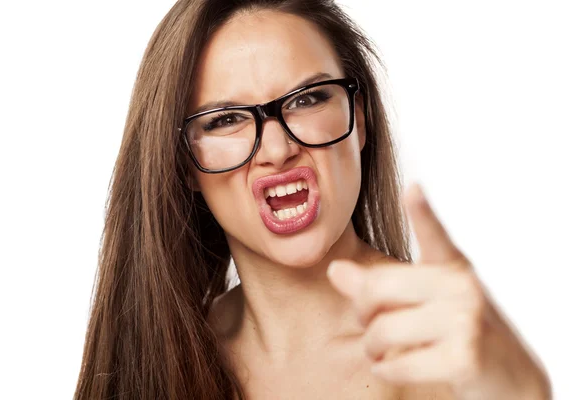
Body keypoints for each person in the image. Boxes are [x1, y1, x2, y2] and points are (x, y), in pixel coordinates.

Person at [74, 0, 551, 398]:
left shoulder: (450, 357)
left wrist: (525, 392)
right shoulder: (153, 364)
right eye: (225, 120)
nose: (278, 150)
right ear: (184, 165)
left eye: (307, 100)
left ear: (358, 119)